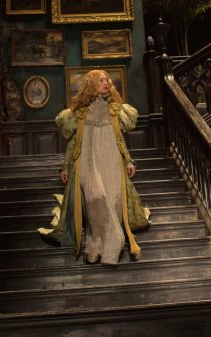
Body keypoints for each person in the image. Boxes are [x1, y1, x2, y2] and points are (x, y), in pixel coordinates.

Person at [38, 70, 150, 264]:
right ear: (91, 84)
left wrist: (128, 161)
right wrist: (65, 167)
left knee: (113, 201)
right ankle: (102, 241)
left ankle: (103, 246)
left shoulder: (115, 110)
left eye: (106, 80)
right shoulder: (80, 113)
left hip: (112, 161)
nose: (106, 82)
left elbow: (119, 140)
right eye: (100, 80)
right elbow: (73, 142)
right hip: (88, 162)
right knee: (95, 197)